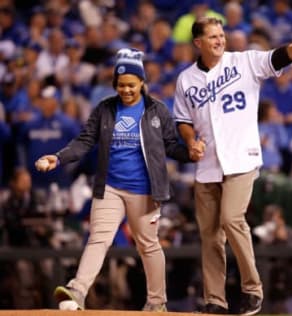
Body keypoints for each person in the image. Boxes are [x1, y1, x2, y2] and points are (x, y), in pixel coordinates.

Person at [173, 16, 292, 315]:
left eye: (221, 35)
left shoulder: (243, 63)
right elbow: (182, 120)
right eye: (213, 36)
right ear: (198, 43)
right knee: (210, 237)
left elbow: (280, 56)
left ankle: (252, 289)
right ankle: (215, 300)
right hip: (207, 165)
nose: (219, 40)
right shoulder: (186, 79)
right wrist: (190, 142)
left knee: (231, 219)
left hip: (241, 158)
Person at [34, 47, 205, 311]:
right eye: (121, 85)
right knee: (98, 238)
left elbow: (171, 145)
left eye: (131, 85)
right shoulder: (105, 109)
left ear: (142, 83)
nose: (126, 90)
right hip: (110, 188)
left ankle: (157, 303)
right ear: (115, 84)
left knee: (148, 245)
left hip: (145, 190)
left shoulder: (157, 110)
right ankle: (77, 291)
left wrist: (190, 154)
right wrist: (58, 157)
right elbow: (85, 141)